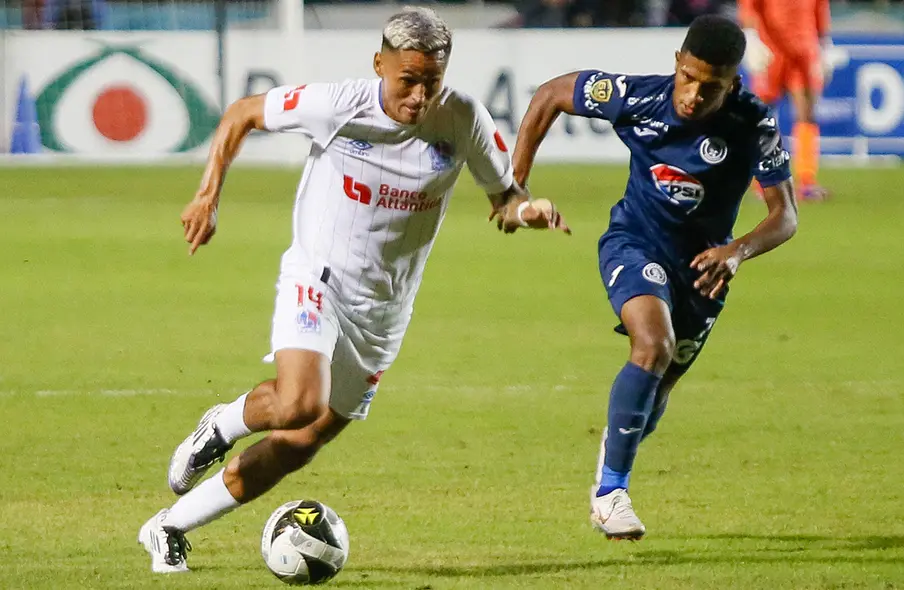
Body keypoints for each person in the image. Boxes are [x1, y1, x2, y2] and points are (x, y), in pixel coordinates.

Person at [137, 7, 570, 574]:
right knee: (297, 403)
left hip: (385, 311)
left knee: (303, 441)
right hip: (318, 277)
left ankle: (168, 526)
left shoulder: (462, 117)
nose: (418, 96)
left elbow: (504, 199)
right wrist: (208, 195)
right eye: (406, 81)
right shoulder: (339, 104)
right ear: (379, 65)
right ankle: (224, 423)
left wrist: (527, 210)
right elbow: (243, 113)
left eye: (430, 82)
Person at [511, 15, 797, 540]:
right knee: (653, 342)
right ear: (676, 64)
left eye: (710, 86)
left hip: (705, 270)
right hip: (633, 242)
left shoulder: (753, 123)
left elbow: (786, 216)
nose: (692, 94)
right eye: (687, 77)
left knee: (658, 389)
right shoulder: (636, 97)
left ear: (732, 83)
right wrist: (516, 186)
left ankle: (614, 454)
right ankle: (610, 493)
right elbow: (552, 94)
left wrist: (736, 252)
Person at [739, 0, 836, 201]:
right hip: (771, 50)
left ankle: (807, 182)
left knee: (807, 113)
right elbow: (749, 7)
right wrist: (751, 38)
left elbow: (819, 9)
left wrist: (825, 45)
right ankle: (763, 181)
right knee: (763, 115)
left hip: (804, 50)